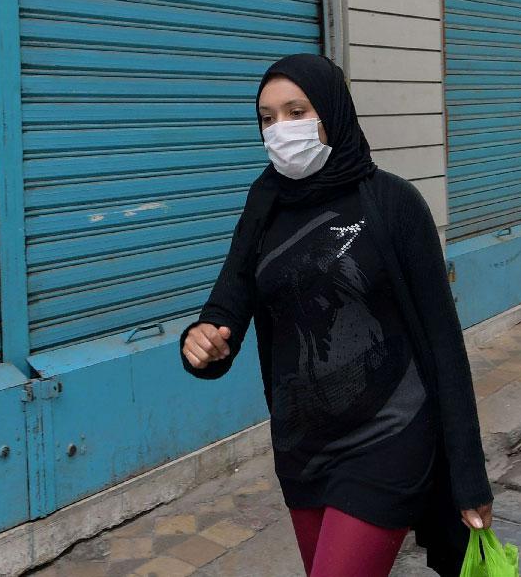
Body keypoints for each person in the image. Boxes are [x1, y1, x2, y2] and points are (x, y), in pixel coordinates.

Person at [179, 54, 492, 577]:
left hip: (390, 438)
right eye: (267, 118)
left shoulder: (393, 203)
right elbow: (225, 308)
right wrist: (202, 341)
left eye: (296, 110)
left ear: (332, 111)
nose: (281, 129)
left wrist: (469, 475)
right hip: (303, 448)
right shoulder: (264, 205)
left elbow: (443, 345)